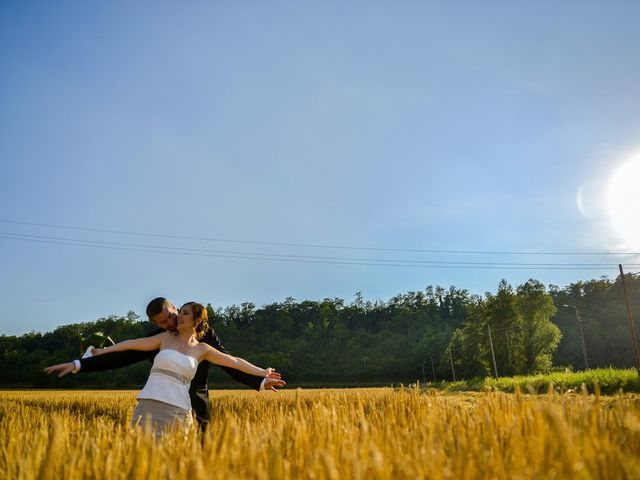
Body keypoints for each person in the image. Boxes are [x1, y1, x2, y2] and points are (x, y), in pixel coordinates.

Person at [44, 297, 285, 431]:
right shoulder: (159, 339)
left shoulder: (205, 337)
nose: (170, 322)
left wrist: (261, 377)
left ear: (176, 309)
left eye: (172, 316)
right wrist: (81, 363)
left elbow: (231, 362)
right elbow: (123, 353)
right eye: (162, 322)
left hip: (194, 406)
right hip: (155, 402)